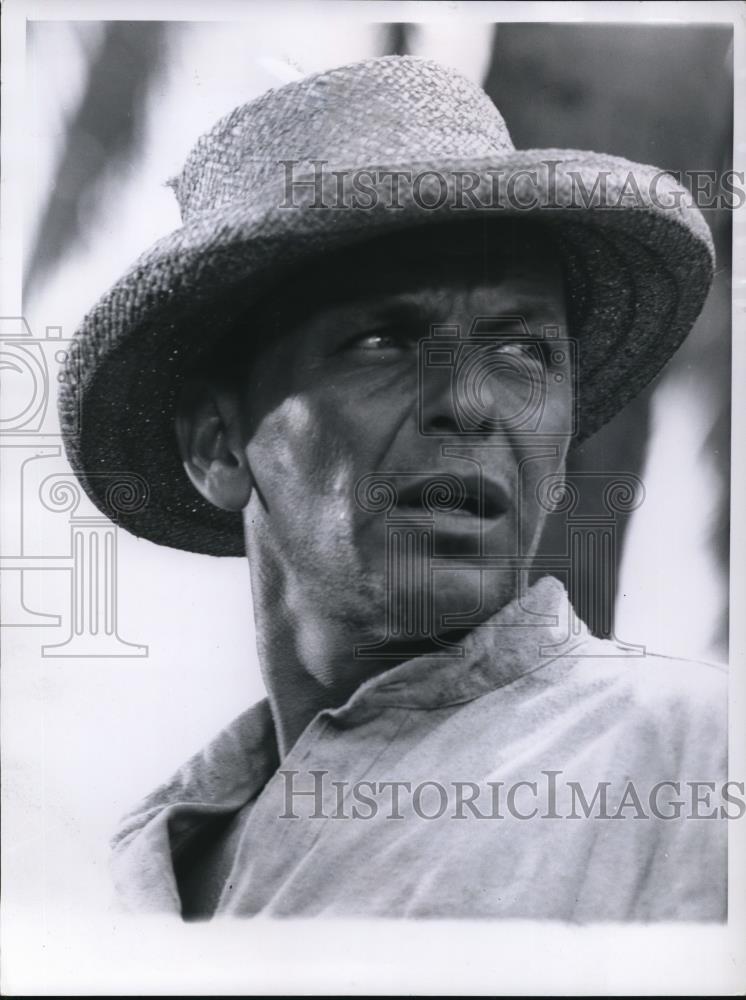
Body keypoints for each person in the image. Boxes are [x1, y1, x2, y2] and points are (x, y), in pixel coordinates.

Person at [59, 56, 727, 920]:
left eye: (521, 352)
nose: (469, 402)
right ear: (219, 447)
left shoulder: (696, 758)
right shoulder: (151, 877)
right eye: (381, 341)